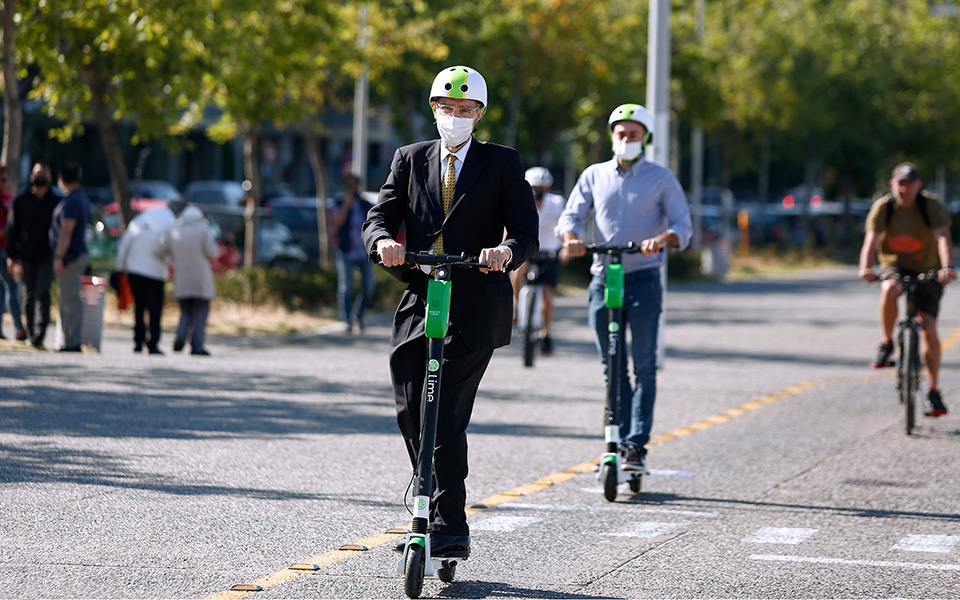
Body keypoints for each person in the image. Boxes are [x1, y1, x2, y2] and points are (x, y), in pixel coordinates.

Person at [362, 65, 538, 558]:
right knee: (411, 409)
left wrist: (505, 253)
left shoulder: (501, 163)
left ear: (479, 114)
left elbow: (525, 232)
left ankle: (445, 524)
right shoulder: (410, 159)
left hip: (475, 301)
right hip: (422, 294)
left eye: (465, 110)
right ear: (434, 109)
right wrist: (382, 244)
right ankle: (433, 511)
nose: (455, 117)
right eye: (447, 108)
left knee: (444, 417)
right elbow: (380, 215)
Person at [558, 103, 692, 472]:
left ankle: (636, 447)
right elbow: (571, 215)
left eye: (633, 134)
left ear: (645, 138)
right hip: (604, 279)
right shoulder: (593, 175)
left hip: (644, 278)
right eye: (620, 134)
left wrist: (662, 239)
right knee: (611, 366)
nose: (626, 140)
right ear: (612, 136)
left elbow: (684, 225)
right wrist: (570, 237)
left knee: (644, 366)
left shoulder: (662, 178)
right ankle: (614, 439)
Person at [858, 162, 954, 417]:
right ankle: (887, 342)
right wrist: (865, 267)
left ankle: (933, 390)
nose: (904, 188)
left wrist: (947, 267)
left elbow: (943, 236)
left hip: (928, 268)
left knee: (928, 327)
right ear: (892, 185)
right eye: (900, 183)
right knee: (889, 288)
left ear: (918, 186)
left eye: (909, 184)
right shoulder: (884, 207)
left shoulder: (930, 206)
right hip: (894, 264)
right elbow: (872, 239)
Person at [510, 166, 568, 355]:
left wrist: (566, 247)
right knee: (518, 270)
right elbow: (508, 225)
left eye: (542, 188)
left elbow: (565, 225)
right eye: (535, 187)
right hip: (527, 249)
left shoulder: (557, 203)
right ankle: (516, 306)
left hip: (549, 253)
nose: (538, 192)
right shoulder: (521, 202)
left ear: (549, 188)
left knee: (548, 294)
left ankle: (545, 332)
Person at [116, 199, 183, 354]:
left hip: (134, 269)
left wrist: (121, 267)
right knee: (155, 310)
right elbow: (169, 249)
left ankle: (138, 341)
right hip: (155, 272)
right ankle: (153, 343)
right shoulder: (171, 222)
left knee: (139, 307)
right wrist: (171, 262)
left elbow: (126, 242)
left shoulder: (143, 217)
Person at [7, 162, 60, 348]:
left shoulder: (57, 201)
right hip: (27, 255)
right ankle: (30, 332)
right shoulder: (21, 201)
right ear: (31, 176)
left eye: (44, 172)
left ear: (50, 177)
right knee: (29, 293)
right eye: (38, 172)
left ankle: (40, 335)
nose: (41, 175)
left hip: (47, 255)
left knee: (43, 292)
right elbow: (12, 230)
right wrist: (11, 256)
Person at [156, 205, 219, 356]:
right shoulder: (203, 229)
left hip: (181, 276)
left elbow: (159, 249)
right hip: (200, 278)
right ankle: (197, 345)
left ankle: (180, 338)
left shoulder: (173, 229)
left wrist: (171, 259)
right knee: (200, 312)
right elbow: (213, 252)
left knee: (185, 311)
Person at [50, 162, 91, 352]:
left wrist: (58, 256)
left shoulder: (72, 201)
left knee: (70, 299)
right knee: (69, 298)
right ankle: (69, 339)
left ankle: (72, 341)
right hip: (76, 255)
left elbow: (66, 232)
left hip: (70, 257)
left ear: (63, 179)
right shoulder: (79, 198)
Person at [329, 173, 375, 333]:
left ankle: (358, 315)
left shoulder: (366, 205)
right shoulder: (338, 202)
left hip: (364, 252)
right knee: (345, 286)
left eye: (355, 185)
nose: (352, 188)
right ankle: (347, 318)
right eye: (349, 185)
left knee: (368, 286)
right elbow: (336, 223)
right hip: (346, 250)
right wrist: (346, 206)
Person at [0, 164, 27, 341]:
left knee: (3, 290)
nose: (4, 182)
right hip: (0, 249)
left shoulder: (10, 198)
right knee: (12, 285)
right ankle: (19, 328)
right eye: (1, 179)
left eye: (6, 178)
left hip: (9, 249)